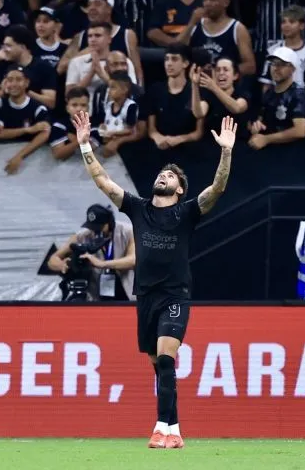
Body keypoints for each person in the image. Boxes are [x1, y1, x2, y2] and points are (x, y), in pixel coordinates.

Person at [73, 109, 237, 450]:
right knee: (158, 365)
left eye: (170, 177)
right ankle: (174, 429)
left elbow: (217, 188)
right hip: (144, 296)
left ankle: (161, 426)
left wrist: (226, 151)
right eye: (162, 173)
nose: (163, 177)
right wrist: (86, 146)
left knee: (166, 357)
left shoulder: (187, 211)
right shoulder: (138, 208)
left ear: (179, 189)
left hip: (175, 295)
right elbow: (103, 180)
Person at [45, 204, 137, 301]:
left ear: (109, 223)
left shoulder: (129, 232)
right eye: (92, 227)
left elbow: (133, 260)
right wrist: (62, 265)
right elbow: (52, 260)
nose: (94, 231)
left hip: (128, 294)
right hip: (98, 295)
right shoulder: (83, 236)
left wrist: (101, 264)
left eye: (99, 227)